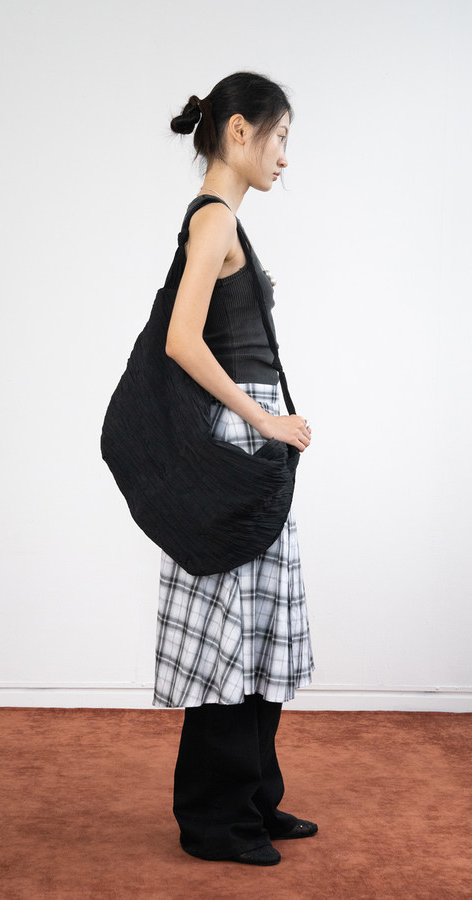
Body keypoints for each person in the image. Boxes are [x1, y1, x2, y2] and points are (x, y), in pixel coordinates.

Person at [154, 72, 316, 867]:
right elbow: (181, 340)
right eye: (279, 136)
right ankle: (214, 820)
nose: (285, 155)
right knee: (229, 631)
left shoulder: (226, 220)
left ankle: (251, 799)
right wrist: (262, 419)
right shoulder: (214, 218)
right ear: (240, 130)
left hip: (252, 449)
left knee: (252, 631)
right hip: (237, 446)